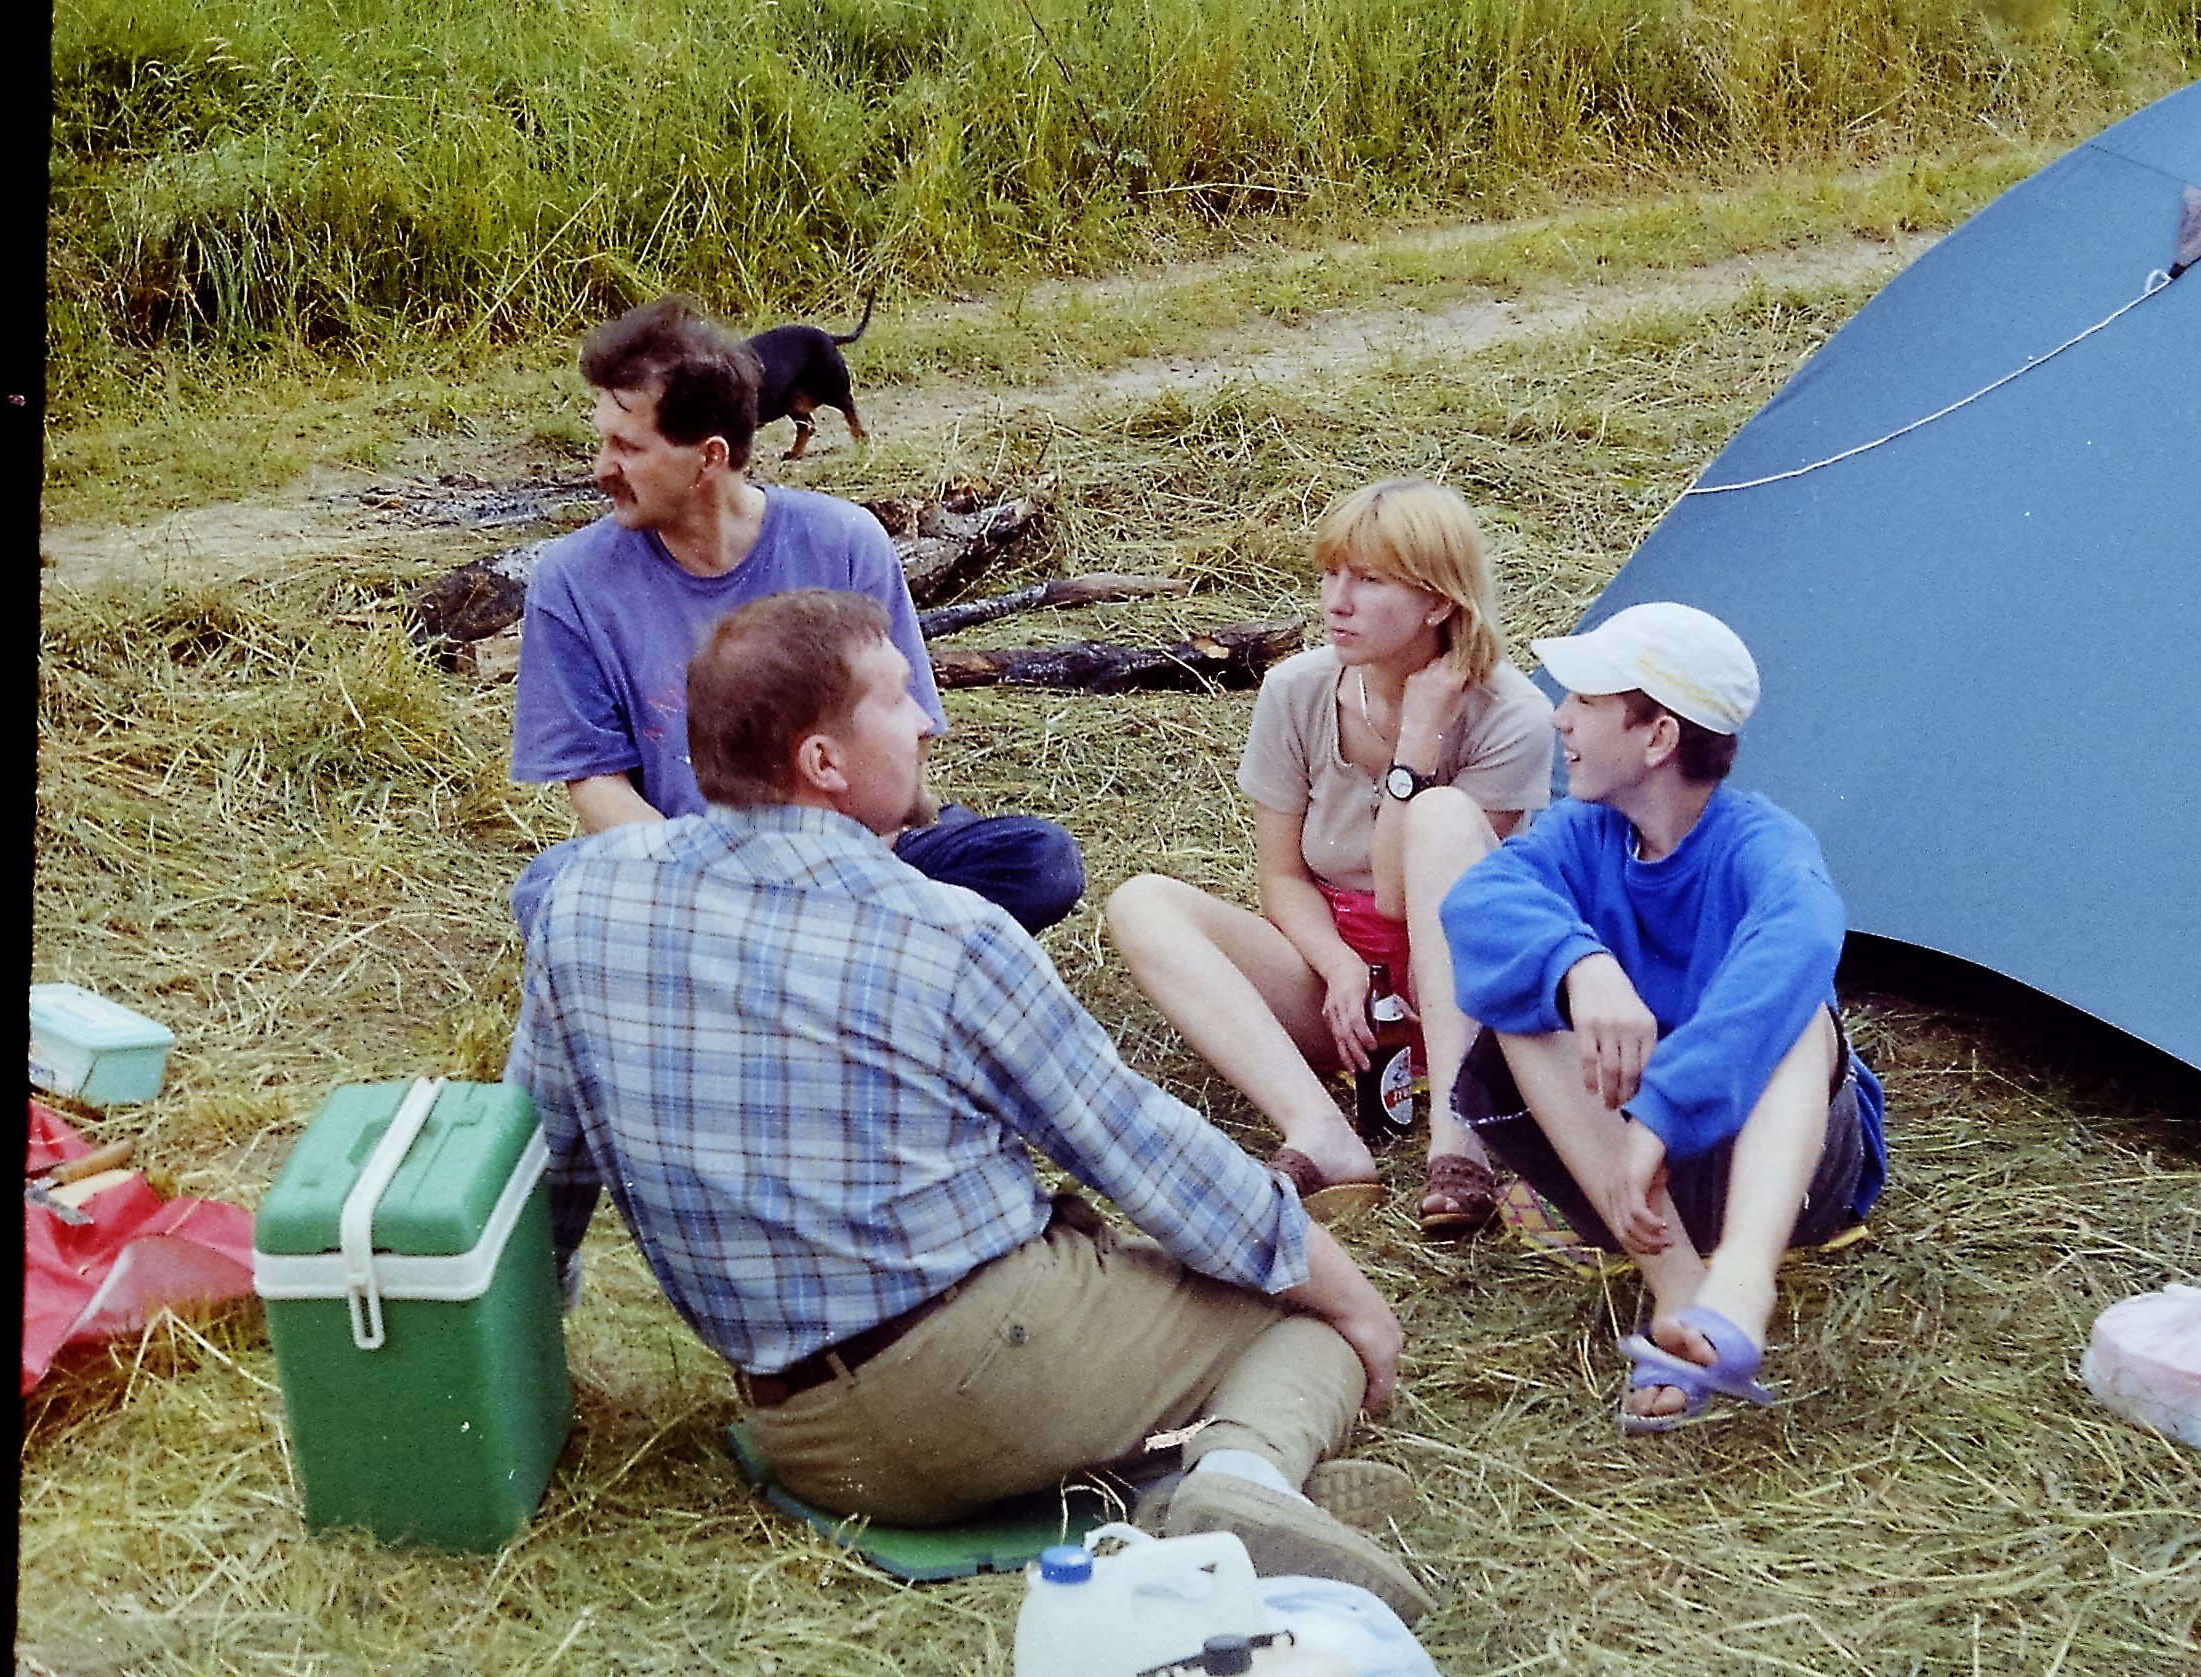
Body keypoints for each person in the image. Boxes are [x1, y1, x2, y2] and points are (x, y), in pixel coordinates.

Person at [506, 588, 1435, 1622]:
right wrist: (1350, 1296)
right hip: (977, 1378)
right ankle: (1241, 1483)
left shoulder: (583, 898)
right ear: (823, 761)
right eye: (897, 698)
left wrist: (522, 1369)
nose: (926, 723)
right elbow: (1142, 1153)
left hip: (800, 1433)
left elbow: (541, 1172)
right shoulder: (942, 933)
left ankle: (1195, 1486)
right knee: (1299, 1327)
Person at [1422, 601, 1887, 1430]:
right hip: (1630, 1192)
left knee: (1800, 1015)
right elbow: (1476, 904)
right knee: (1522, 999)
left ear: (1657, 737)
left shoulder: (1761, 846)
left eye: (1586, 700)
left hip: (1781, 1181)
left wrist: (1667, 1109)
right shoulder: (1582, 833)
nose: (1559, 717)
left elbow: (1804, 937)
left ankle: (1738, 1290)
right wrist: (1579, 966)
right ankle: (1678, 1289)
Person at [507, 294, 1083, 938]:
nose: (601, 469)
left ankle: (784, 958)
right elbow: (595, 782)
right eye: (602, 442)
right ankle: (854, 954)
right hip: (684, 866)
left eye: (628, 447)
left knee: (1039, 860)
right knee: (547, 891)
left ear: (709, 457)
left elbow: (908, 738)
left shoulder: (843, 541)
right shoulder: (571, 580)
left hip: (855, 852)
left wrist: (831, 880)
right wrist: (719, 892)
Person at [1107, 480, 1554, 1238]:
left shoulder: (1513, 714)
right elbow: (1281, 876)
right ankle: (1321, 1130)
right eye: (1331, 574)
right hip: (1341, 982)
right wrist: (1341, 969)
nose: (1336, 602)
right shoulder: (1297, 690)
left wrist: (1416, 747)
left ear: (1437, 602)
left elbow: (1397, 896)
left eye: (1369, 579)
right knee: (1140, 902)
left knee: (1442, 815)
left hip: (1460, 980)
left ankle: (1458, 1141)